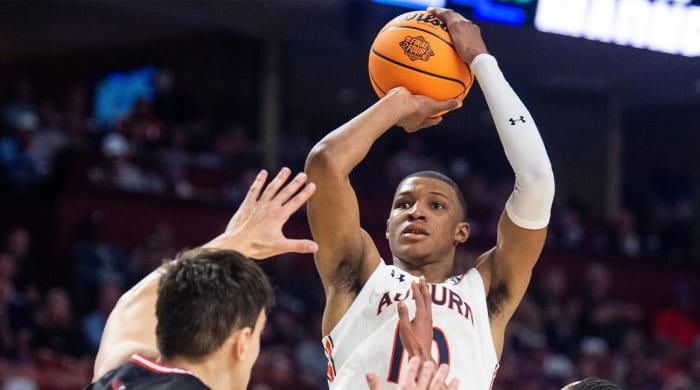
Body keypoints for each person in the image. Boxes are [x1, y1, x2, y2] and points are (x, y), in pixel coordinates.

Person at [304, 7, 555, 390]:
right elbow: (325, 164)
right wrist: (398, 104)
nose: (416, 211)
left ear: (461, 232)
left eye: (436, 205)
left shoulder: (484, 294)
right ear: (385, 227)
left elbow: (537, 182)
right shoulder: (357, 277)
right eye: (402, 204)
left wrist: (482, 61)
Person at [87, 168, 318, 389]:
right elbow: (131, 306)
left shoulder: (119, 374)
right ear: (242, 342)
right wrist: (234, 241)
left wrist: (235, 241)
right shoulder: (117, 365)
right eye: (258, 332)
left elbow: (131, 307)